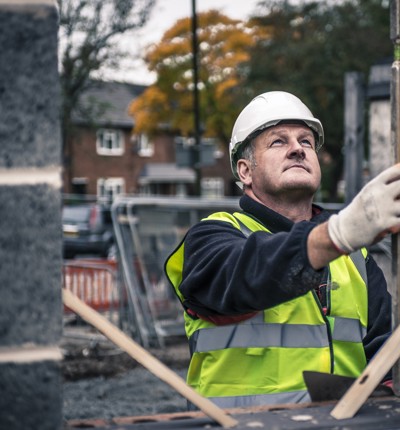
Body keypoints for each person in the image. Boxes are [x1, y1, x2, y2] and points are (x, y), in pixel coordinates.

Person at [164, 91, 399, 409]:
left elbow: (382, 359)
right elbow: (250, 274)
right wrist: (338, 233)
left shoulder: (355, 259)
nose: (297, 150)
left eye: (306, 142)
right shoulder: (211, 238)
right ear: (245, 171)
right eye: (278, 141)